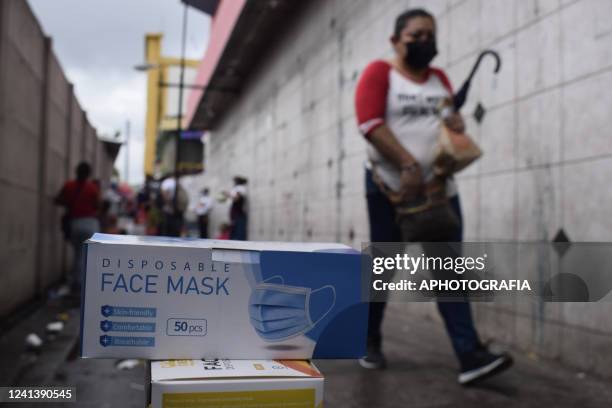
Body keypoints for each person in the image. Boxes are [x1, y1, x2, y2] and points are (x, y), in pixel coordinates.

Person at [354, 8, 512, 385]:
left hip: (439, 191)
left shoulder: (438, 78)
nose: (426, 42)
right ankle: (369, 339)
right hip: (390, 191)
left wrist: (455, 124)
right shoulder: (380, 73)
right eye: (416, 35)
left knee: (448, 273)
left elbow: (446, 120)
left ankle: (469, 356)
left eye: (431, 35)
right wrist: (407, 164)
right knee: (383, 268)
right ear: (396, 41)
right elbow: (369, 123)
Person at [55, 162, 100, 292]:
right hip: (90, 223)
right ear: (88, 174)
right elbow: (97, 205)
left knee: (78, 254)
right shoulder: (92, 188)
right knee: (90, 254)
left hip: (75, 224)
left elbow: (58, 200)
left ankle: (77, 282)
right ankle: (86, 282)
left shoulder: (69, 185)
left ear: (76, 171)